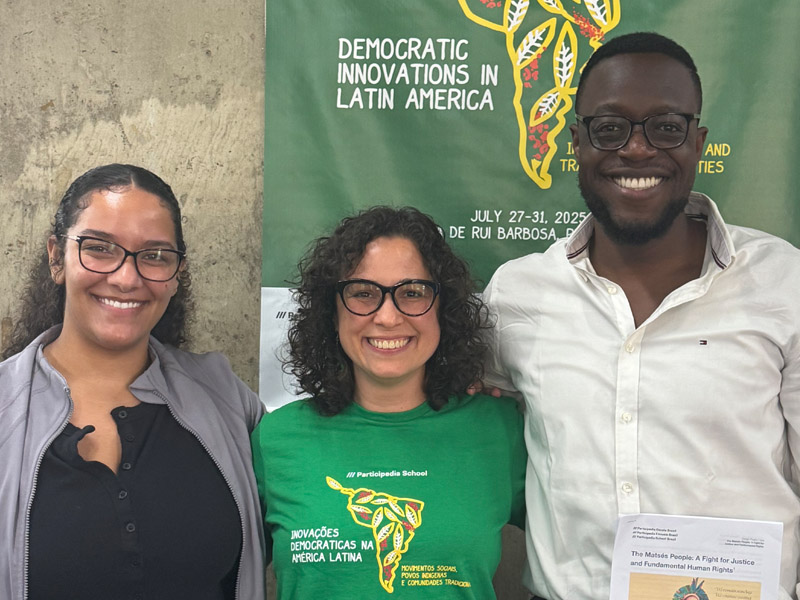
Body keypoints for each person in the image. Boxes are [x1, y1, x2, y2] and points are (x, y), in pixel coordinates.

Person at [482, 32, 800, 600]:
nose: (635, 150)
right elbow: (477, 446)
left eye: (665, 127)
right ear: (576, 142)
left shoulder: (784, 283)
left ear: (697, 142)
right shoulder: (517, 296)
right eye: (609, 128)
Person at [0, 164, 266, 600]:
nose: (127, 277)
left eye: (155, 255)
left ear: (177, 274)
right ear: (56, 257)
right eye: (100, 248)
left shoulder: (226, 400)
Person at [251, 206, 526, 599]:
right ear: (332, 312)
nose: (387, 317)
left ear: (443, 310)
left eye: (412, 293)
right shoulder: (277, 439)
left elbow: (579, 550)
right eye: (363, 294)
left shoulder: (499, 430)